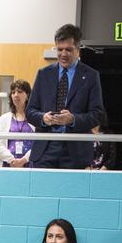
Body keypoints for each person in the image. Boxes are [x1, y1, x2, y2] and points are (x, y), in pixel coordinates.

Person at [26, 23, 105, 169]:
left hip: (75, 151)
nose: (63, 54)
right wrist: (43, 118)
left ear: (78, 50)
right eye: (59, 49)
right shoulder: (43, 74)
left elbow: (97, 115)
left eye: (68, 49)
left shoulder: (91, 76)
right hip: (45, 149)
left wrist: (73, 119)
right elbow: (30, 112)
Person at [0, 78, 34, 167]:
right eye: (13, 92)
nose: (16, 95)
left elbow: (39, 145)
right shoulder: (3, 119)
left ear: (27, 95)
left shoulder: (35, 119)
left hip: (29, 165)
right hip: (8, 165)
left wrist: (23, 160)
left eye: (19, 92)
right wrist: (12, 160)